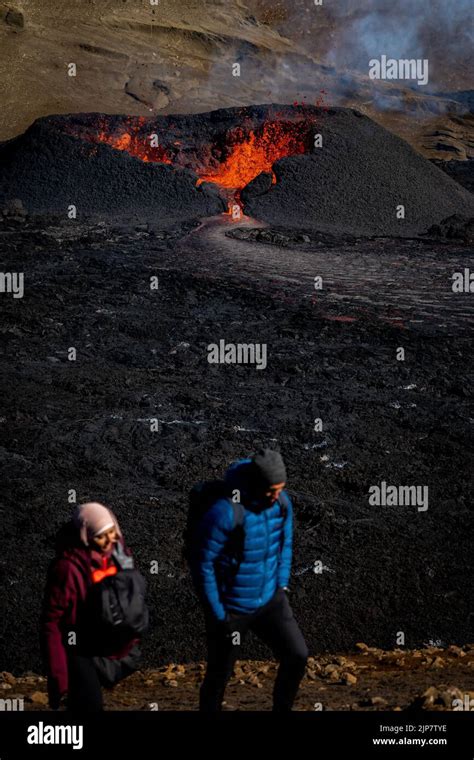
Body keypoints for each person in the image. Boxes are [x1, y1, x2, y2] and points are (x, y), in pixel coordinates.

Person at [190, 449, 308, 711]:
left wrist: (281, 583)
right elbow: (202, 564)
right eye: (271, 490)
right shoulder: (226, 512)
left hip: (270, 599)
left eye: (281, 488)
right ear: (256, 483)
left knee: (297, 656)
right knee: (219, 675)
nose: (277, 495)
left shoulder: (281, 503)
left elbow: (285, 543)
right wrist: (218, 613)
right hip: (232, 608)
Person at [41, 502, 145, 711]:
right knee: (90, 704)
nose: (109, 541)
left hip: (112, 646)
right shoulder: (67, 569)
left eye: (112, 532)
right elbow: (51, 625)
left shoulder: (119, 552)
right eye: (100, 536)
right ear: (84, 535)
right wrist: (59, 680)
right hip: (80, 650)